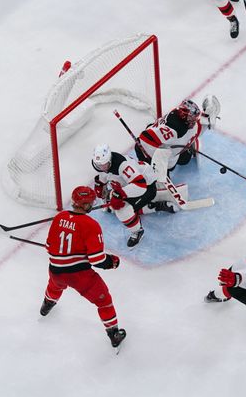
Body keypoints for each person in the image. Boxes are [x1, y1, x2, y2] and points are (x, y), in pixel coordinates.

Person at [41, 186, 126, 349]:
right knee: (104, 301)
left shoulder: (60, 217)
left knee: (55, 285)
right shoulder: (91, 225)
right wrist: (111, 261)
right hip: (79, 276)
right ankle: (113, 334)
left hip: (55, 270)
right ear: (86, 204)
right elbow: (97, 259)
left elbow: (48, 246)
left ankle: (47, 305)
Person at [92, 144, 178, 248]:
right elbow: (104, 176)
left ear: (109, 160)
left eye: (104, 165)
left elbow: (140, 185)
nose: (102, 168)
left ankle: (138, 231)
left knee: (121, 211)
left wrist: (119, 194)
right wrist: (100, 184)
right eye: (99, 165)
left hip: (147, 187)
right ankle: (151, 206)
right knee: (111, 205)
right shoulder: (106, 165)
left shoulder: (122, 166)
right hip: (130, 184)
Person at [134, 95, 220, 172]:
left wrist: (209, 114)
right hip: (154, 155)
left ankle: (188, 147)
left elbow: (145, 136)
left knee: (181, 159)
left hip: (146, 146)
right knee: (181, 161)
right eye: (191, 119)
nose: (193, 121)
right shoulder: (178, 131)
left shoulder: (176, 113)